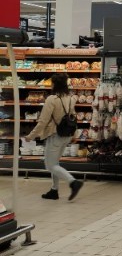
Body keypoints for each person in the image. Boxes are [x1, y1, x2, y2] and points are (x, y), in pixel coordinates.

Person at [24, 73, 83, 201]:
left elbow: (43, 121)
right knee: (55, 163)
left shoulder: (52, 99)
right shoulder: (71, 98)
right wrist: (75, 134)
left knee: (50, 165)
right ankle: (54, 190)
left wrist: (31, 136)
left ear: (55, 84)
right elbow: (73, 117)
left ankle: (73, 182)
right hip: (66, 134)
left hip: (55, 135)